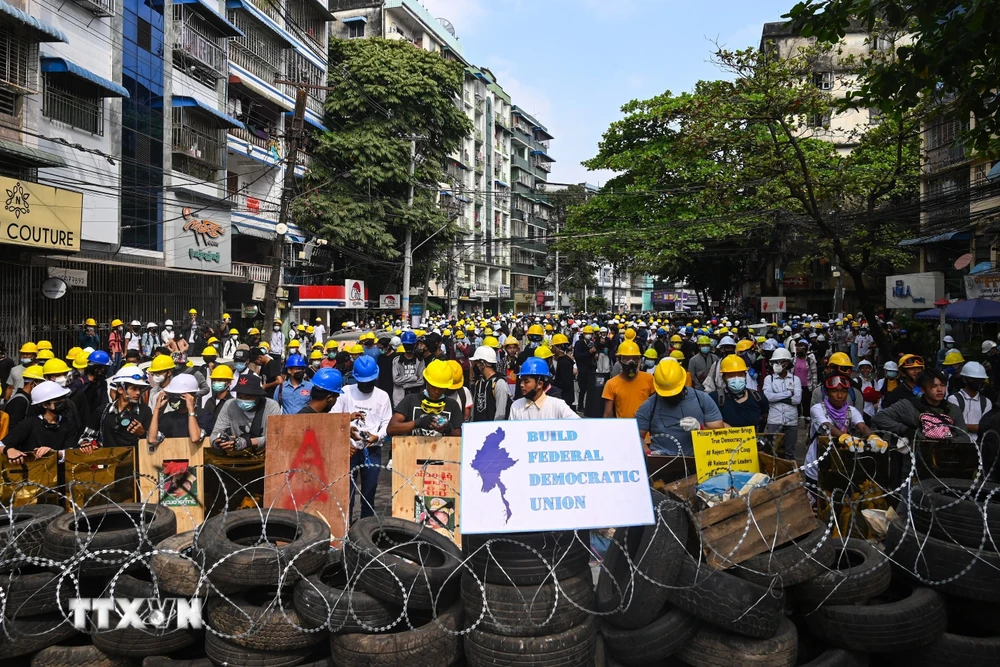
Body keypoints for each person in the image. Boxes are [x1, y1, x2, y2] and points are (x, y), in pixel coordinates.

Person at [636, 359, 725, 456]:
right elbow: (636, 436)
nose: (671, 396)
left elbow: (719, 436)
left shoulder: (702, 399)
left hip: (698, 461)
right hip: (662, 463)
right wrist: (649, 453)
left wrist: (700, 428)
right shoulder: (650, 405)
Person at [343, 356, 391, 520]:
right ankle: (346, 527)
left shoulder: (382, 396)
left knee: (369, 494)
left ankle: (365, 528)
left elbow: (387, 423)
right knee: (345, 493)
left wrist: (377, 436)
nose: (366, 385)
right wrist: (347, 426)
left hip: (372, 450)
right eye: (363, 381)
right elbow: (333, 416)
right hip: (349, 449)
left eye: (369, 381)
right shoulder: (346, 392)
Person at [874, 369, 971, 447]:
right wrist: (905, 430)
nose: (939, 390)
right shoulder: (908, 405)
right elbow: (879, 417)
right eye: (934, 386)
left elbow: (965, 437)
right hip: (916, 461)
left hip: (945, 462)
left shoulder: (952, 409)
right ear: (922, 389)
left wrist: (951, 441)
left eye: (942, 385)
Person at [804, 375, 874, 482]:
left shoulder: (851, 411)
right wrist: (845, 437)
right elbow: (827, 426)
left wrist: (872, 436)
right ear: (827, 392)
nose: (840, 395)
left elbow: (862, 426)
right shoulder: (818, 409)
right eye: (835, 391)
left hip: (841, 466)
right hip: (816, 465)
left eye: (844, 391)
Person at [0, 380, 85, 463]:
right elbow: (2, 444)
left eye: (63, 398)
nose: (62, 402)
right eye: (57, 400)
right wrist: (9, 449)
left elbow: (70, 452)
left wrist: (53, 453)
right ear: (45, 405)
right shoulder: (29, 424)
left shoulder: (68, 423)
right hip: (33, 472)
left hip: (58, 474)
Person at [387, 359, 463, 437]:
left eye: (441, 388)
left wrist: (448, 429)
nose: (436, 391)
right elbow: (391, 429)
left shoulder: (452, 405)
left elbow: (459, 436)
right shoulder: (411, 400)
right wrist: (417, 423)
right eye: (433, 387)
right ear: (426, 381)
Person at [211, 374, 281, 452]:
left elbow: (276, 437)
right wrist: (217, 442)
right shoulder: (229, 405)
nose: (243, 400)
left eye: (248, 397)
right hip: (239, 456)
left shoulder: (271, 406)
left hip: (265, 454)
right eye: (239, 396)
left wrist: (248, 442)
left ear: (257, 395)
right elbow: (216, 431)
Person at [90, 367, 152, 449]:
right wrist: (87, 444)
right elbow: (86, 437)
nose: (138, 392)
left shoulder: (145, 411)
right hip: (108, 460)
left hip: (135, 460)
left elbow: (153, 441)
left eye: (140, 389)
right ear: (120, 389)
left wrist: (142, 433)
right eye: (133, 388)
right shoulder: (102, 411)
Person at [509, 358, 579, 420]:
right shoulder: (516, 406)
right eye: (521, 380)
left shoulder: (558, 406)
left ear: (539, 384)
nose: (521, 384)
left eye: (526, 381)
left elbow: (580, 426)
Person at [763, 347, 801, 460]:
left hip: (791, 421)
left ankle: (790, 475)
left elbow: (797, 400)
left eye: (780, 361)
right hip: (774, 420)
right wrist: (789, 393)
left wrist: (777, 396)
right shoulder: (769, 379)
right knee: (773, 452)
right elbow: (768, 397)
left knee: (789, 452)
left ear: (787, 363)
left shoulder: (795, 379)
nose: (777, 364)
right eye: (775, 362)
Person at [712, 355, 769, 431]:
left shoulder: (758, 398)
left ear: (745, 376)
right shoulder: (714, 398)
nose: (737, 379)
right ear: (724, 378)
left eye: (740, 375)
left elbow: (764, 418)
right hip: (725, 441)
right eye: (731, 375)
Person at [602, 340, 655, 419]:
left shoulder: (649, 379)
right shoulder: (611, 384)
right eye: (626, 359)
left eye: (635, 358)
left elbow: (656, 406)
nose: (631, 362)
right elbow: (608, 414)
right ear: (619, 360)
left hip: (645, 429)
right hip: (624, 429)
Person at [148, 374, 203, 445]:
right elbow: (152, 439)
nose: (174, 398)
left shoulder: (203, 415)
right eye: (172, 395)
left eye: (179, 395)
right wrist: (157, 409)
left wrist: (191, 410)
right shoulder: (168, 417)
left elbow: (195, 438)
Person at [948, 361, 992, 444]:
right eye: (974, 379)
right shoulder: (954, 399)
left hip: (980, 446)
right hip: (958, 445)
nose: (978, 382)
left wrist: (962, 425)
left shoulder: (986, 402)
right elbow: (951, 425)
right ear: (964, 379)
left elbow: (985, 428)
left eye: (981, 380)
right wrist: (976, 427)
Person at [470, 346, 510, 422]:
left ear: (483, 364)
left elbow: (500, 413)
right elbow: (474, 409)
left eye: (477, 363)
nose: (475, 366)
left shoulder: (499, 383)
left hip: (492, 431)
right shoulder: (479, 383)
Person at [3, 365, 44, 431]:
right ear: (32, 383)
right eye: (42, 383)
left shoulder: (27, 399)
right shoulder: (19, 402)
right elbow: (14, 429)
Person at [392, 331, 424, 406]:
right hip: (400, 398)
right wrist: (414, 378)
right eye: (407, 345)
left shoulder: (420, 360)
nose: (408, 347)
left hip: (417, 397)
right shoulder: (397, 361)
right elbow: (396, 380)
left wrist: (405, 385)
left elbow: (421, 381)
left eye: (410, 345)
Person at [200, 365, 234, 434]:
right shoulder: (210, 401)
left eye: (220, 380)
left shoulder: (232, 403)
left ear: (229, 382)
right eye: (214, 380)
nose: (216, 382)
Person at [573, 325, 598, 411]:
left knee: (591, 389)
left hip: (591, 369)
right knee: (582, 389)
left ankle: (589, 406)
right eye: (586, 333)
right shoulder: (579, 343)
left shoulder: (592, 343)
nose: (588, 335)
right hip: (582, 369)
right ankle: (580, 406)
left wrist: (595, 355)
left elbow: (594, 354)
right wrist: (589, 352)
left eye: (590, 334)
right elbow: (577, 355)